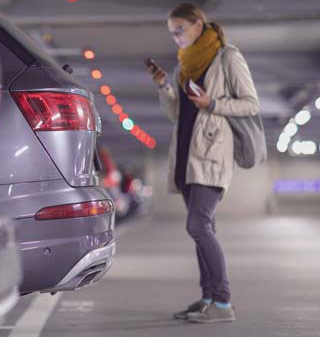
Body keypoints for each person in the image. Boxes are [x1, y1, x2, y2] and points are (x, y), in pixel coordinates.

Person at [147, 3, 260, 323]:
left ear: (199, 25)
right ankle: (208, 297)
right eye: (171, 34)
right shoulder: (183, 66)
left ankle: (223, 304)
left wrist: (213, 102)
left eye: (179, 30)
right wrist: (164, 87)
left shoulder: (227, 57)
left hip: (212, 153)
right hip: (185, 155)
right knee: (203, 227)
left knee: (197, 225)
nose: (175, 39)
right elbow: (177, 114)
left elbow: (251, 105)